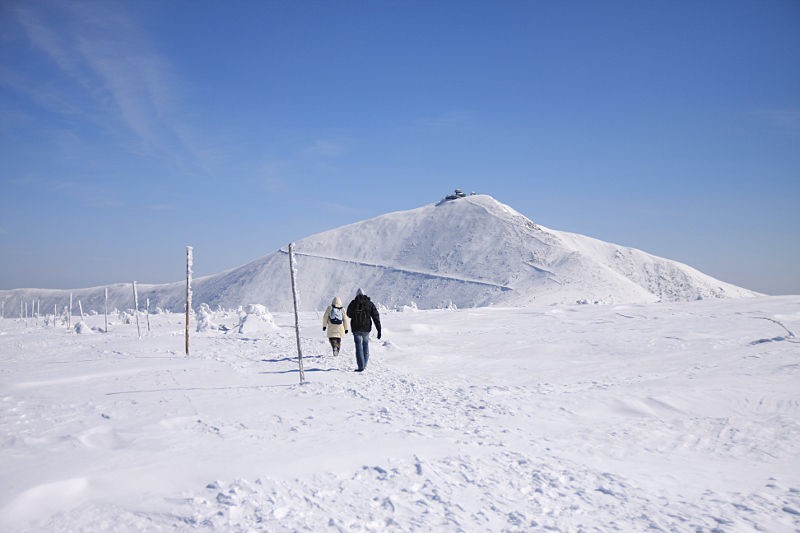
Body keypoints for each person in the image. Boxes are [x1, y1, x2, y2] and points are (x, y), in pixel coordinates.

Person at [346, 288, 381, 372]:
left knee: (358, 347)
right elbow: (375, 316)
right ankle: (364, 365)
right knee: (365, 345)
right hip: (366, 329)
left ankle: (361, 367)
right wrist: (379, 329)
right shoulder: (370, 304)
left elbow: (348, 315)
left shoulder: (353, 303)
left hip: (356, 328)